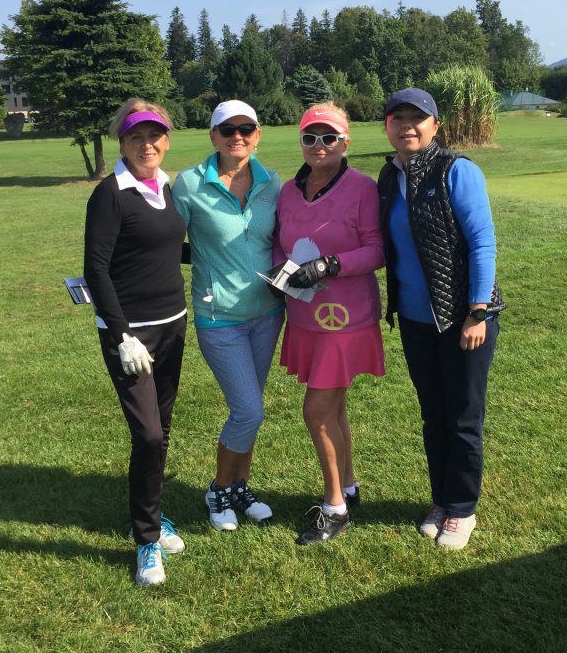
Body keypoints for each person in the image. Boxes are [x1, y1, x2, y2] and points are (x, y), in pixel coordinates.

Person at [377, 87, 504, 551]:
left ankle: (462, 508)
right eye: (398, 118)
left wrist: (477, 311)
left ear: (435, 125)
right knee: (433, 416)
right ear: (387, 126)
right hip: (415, 320)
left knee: (463, 418)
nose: (407, 126)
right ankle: (441, 500)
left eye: (417, 118)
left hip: (462, 318)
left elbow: (482, 242)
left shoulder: (456, 170)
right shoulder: (389, 176)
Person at [83, 99, 188, 587]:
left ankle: (151, 514)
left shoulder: (166, 185)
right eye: (136, 137)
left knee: (160, 430)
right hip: (130, 335)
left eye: (155, 135)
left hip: (173, 324)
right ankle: (147, 540)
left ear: (166, 139)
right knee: (147, 434)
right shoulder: (110, 193)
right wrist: (122, 333)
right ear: (121, 142)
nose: (147, 145)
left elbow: (170, 248)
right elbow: (96, 268)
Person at [273, 102, 385, 545]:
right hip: (304, 316)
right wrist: (279, 275)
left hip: (346, 320)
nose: (319, 145)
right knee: (334, 407)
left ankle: (335, 507)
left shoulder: (362, 187)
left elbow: (377, 249)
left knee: (317, 411)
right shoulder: (288, 190)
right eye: (310, 137)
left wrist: (329, 265)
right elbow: (280, 243)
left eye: (329, 137)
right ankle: (349, 485)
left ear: (345, 142)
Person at [171, 100, 284, 532]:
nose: (238, 136)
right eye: (228, 129)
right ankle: (219, 489)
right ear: (213, 136)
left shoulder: (271, 182)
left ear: (257, 135)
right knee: (249, 411)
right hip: (220, 318)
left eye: (246, 129)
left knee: (248, 410)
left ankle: (240, 486)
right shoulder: (189, 184)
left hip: (268, 314)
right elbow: (167, 241)